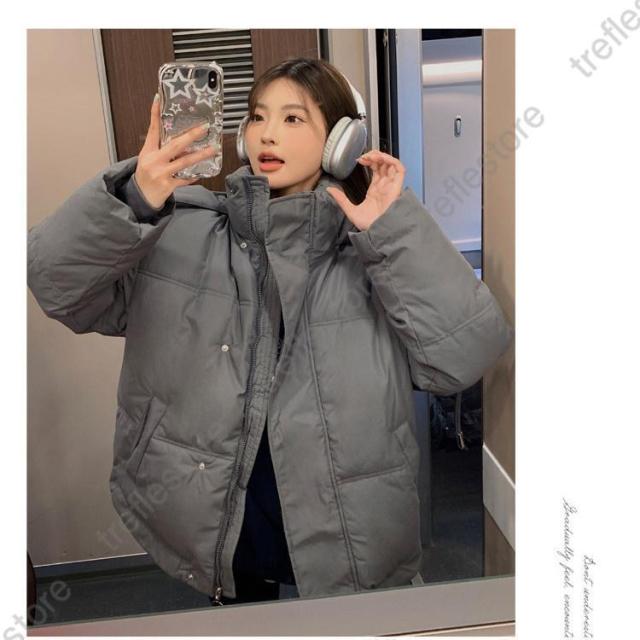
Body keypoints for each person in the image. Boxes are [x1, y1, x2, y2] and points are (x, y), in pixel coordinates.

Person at [27, 57, 514, 605]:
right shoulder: (182, 229)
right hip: (221, 514)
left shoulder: (374, 246)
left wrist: (393, 232)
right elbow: (56, 285)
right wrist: (132, 198)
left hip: (348, 520)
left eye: (293, 118)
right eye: (258, 117)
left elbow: (463, 357)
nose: (267, 134)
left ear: (341, 142)